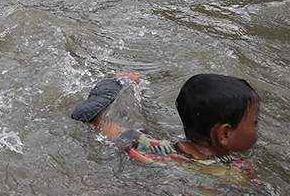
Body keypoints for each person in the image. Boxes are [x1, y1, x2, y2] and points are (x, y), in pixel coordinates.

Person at [71, 72, 260, 174]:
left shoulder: (155, 146)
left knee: (117, 130)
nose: (256, 128)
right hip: (186, 188)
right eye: (255, 122)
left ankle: (113, 88)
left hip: (150, 165)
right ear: (225, 134)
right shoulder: (236, 170)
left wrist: (116, 85)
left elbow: (104, 128)